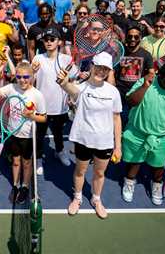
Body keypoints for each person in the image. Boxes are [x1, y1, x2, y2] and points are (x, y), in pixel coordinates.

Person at [57, 52, 122, 219]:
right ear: (92, 66)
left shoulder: (113, 92)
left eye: (105, 69)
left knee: (100, 173)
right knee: (80, 171)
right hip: (83, 139)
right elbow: (67, 87)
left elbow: (116, 118)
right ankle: (77, 198)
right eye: (99, 67)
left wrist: (118, 146)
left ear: (109, 71)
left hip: (105, 142)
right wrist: (63, 81)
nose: (101, 71)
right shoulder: (81, 87)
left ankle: (96, 199)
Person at [122, 60, 165, 206]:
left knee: (158, 166)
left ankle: (157, 185)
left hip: (163, 137)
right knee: (135, 162)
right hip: (137, 133)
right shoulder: (146, 82)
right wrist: (145, 86)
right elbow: (130, 101)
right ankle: (129, 181)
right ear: (161, 74)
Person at [0, 61, 47, 204]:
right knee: (15, 161)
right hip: (13, 133)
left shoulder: (37, 95)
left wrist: (31, 116)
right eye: (19, 77)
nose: (22, 80)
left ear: (32, 77)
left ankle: (25, 186)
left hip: (28, 136)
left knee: (26, 163)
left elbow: (44, 118)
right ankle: (15, 185)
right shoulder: (11, 88)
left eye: (26, 77)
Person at [32, 28, 77, 169]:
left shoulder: (67, 59)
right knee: (39, 135)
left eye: (52, 39)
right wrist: (32, 72)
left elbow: (74, 79)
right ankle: (38, 156)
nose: (49, 42)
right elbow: (30, 81)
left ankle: (59, 151)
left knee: (58, 133)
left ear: (59, 42)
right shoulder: (37, 58)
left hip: (60, 106)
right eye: (46, 39)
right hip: (41, 107)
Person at [115, 26, 154, 126]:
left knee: (134, 121)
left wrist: (145, 84)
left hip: (136, 93)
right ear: (126, 37)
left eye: (136, 37)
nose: (132, 39)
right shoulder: (120, 51)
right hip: (120, 92)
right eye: (130, 36)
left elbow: (151, 73)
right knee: (120, 120)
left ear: (140, 38)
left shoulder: (146, 55)